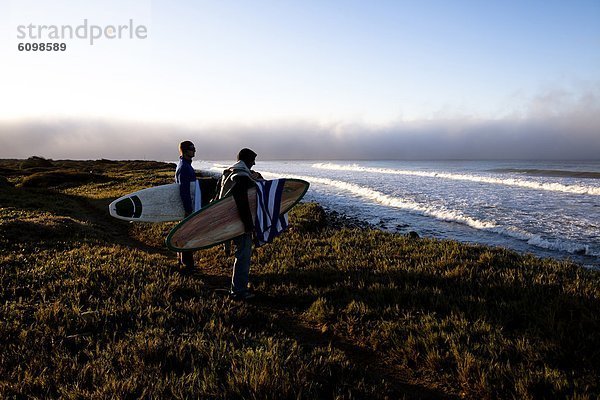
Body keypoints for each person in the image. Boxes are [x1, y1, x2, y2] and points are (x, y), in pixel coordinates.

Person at [215, 148, 261, 300]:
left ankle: (238, 287)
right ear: (246, 160)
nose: (254, 163)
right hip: (238, 221)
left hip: (231, 220)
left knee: (241, 254)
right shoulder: (240, 174)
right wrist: (248, 225)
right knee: (243, 255)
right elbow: (241, 201)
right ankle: (238, 291)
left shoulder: (231, 171)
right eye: (252, 160)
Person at [175, 140, 198, 273]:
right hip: (186, 208)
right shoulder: (184, 167)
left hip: (187, 206)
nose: (194, 150)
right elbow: (184, 191)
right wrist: (188, 210)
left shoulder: (185, 165)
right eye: (192, 148)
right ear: (184, 150)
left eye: (194, 148)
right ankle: (187, 265)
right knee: (187, 235)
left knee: (184, 234)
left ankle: (182, 262)